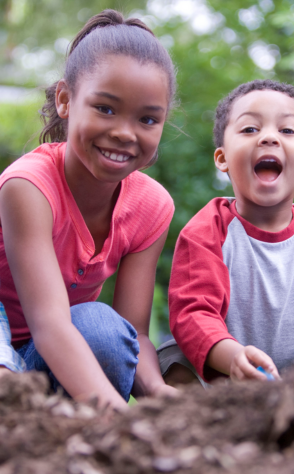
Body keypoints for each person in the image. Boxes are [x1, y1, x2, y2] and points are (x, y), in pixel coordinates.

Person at [0, 9, 177, 409]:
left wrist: (161, 396)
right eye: (106, 109)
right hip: (10, 345)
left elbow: (134, 331)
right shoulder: (28, 187)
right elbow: (49, 325)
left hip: (58, 359)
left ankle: (76, 441)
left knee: (102, 329)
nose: (124, 133)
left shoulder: (152, 206)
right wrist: (122, 419)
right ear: (65, 100)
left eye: (148, 119)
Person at [161, 79, 294, 387]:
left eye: (287, 130)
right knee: (168, 359)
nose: (268, 137)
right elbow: (193, 313)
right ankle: (210, 426)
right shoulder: (206, 231)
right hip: (228, 372)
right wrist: (232, 356)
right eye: (249, 129)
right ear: (221, 158)